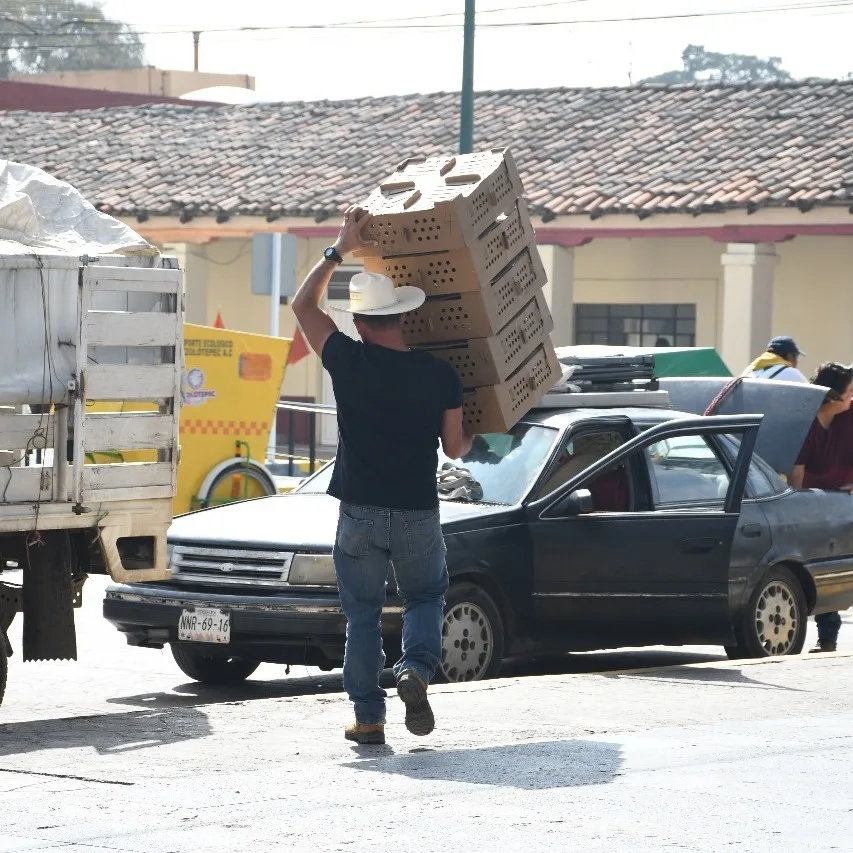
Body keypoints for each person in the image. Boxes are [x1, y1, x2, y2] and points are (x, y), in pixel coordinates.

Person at [291, 204, 473, 745]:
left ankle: (368, 718)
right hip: (417, 507)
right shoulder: (440, 374)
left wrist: (340, 247)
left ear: (361, 324)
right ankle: (415, 669)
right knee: (424, 597)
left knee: (363, 616)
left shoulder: (347, 361)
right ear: (402, 317)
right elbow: (456, 447)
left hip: (359, 511)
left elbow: (302, 304)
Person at [792, 361, 853, 653]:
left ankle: (827, 636)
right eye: (849, 392)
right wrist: (834, 485)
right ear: (831, 397)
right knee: (820, 566)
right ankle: (823, 636)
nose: (852, 398)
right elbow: (797, 478)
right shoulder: (804, 423)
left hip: (845, 503)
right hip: (812, 506)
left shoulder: (849, 416)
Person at [743, 335, 808, 383]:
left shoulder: (749, 370)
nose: (797, 362)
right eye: (796, 357)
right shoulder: (792, 373)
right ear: (789, 356)